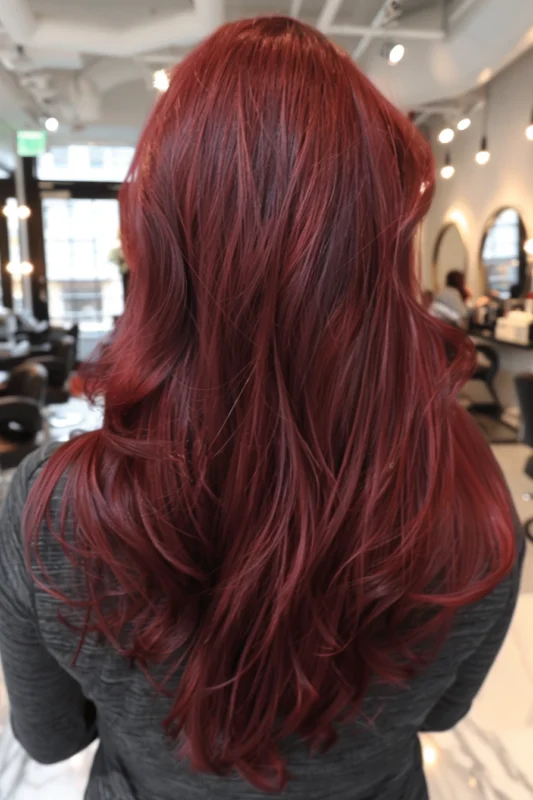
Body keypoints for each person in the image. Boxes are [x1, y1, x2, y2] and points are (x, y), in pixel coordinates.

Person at [0, 17, 523, 800]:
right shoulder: (468, 500)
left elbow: (49, 736)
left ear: (157, 242)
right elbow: (442, 711)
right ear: (383, 245)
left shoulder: (53, 507)